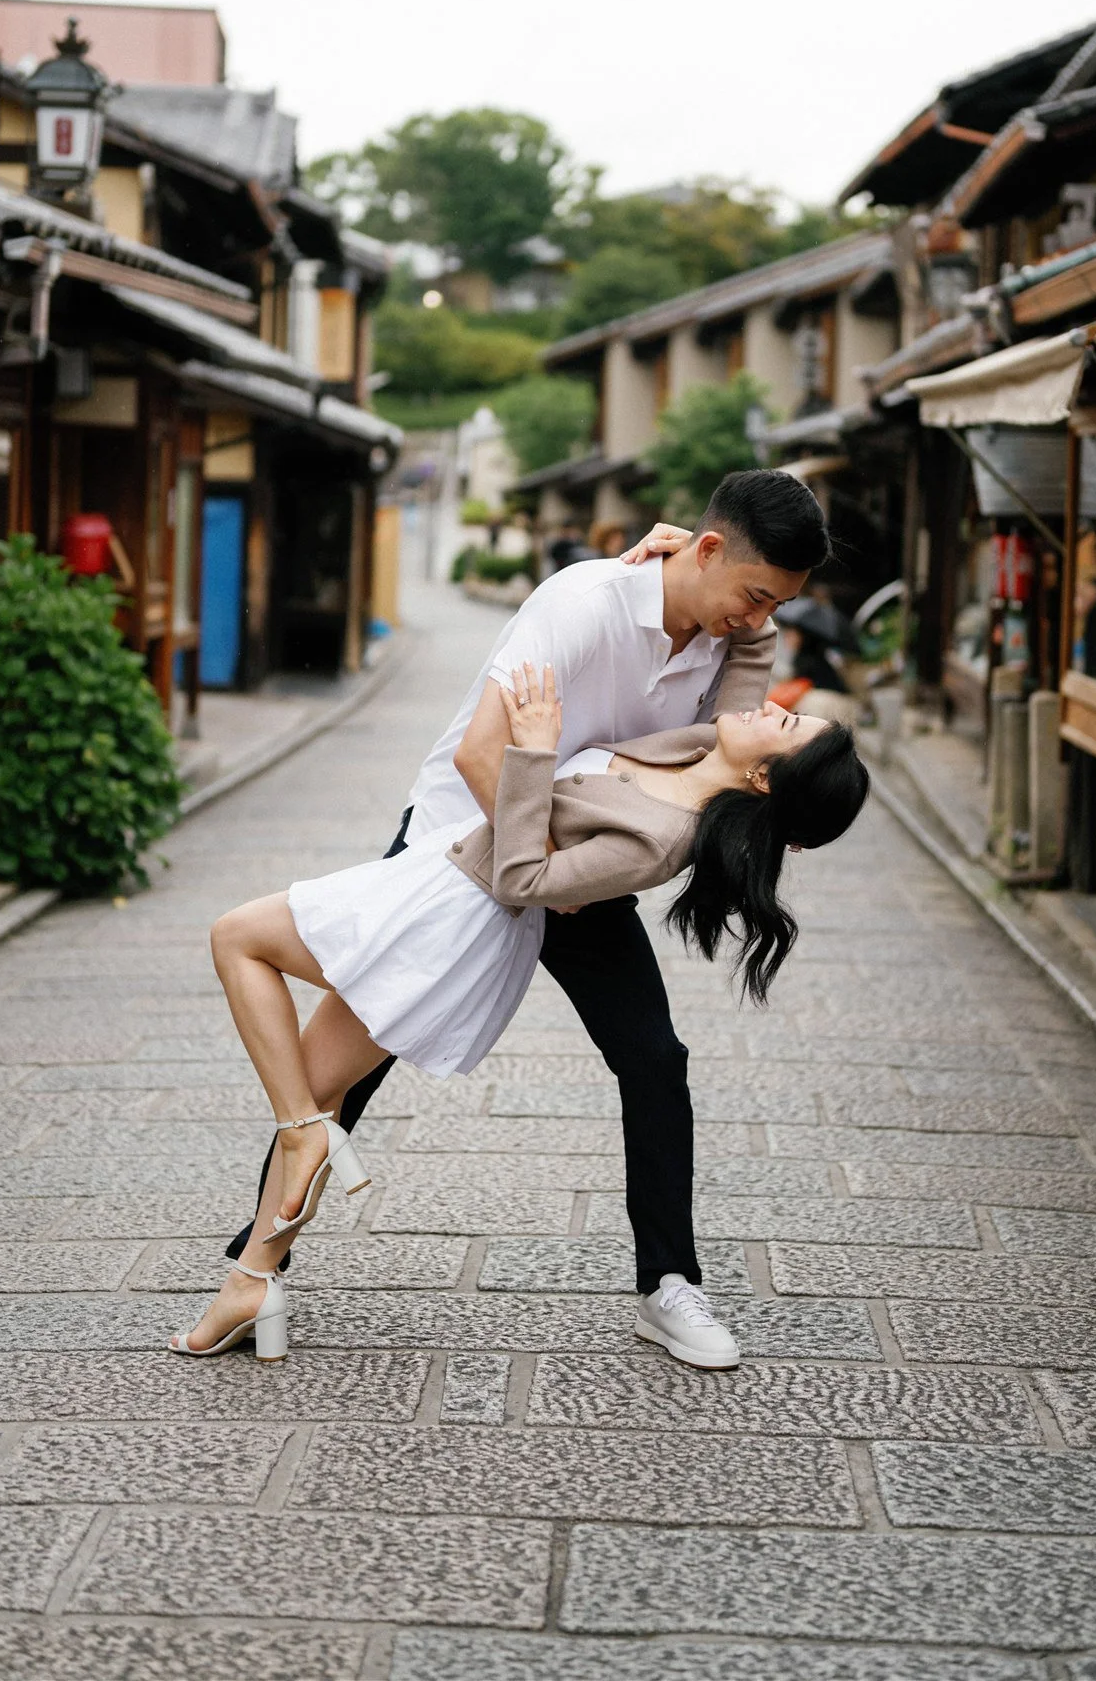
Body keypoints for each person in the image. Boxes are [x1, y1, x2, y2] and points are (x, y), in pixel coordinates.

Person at [224, 468, 831, 1367]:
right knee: (345, 1070)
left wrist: (569, 875)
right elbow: (481, 752)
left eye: (772, 604)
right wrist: (540, 869)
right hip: (460, 848)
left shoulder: (728, 633)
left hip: (582, 863)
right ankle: (255, 1269)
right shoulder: (585, 600)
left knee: (654, 1059)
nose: (756, 617)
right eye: (751, 593)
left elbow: (746, 754)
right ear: (705, 550)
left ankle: (670, 1285)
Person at [174, 666, 867, 1364]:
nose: (768, 707)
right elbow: (745, 628)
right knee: (321, 1089)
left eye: (782, 723)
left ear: (762, 782)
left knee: (237, 939)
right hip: (437, 886)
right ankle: (252, 1280)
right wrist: (678, 552)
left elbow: (523, 881)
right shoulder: (695, 749)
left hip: (449, 917)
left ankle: (302, 1137)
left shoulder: (662, 834)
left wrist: (535, 749)